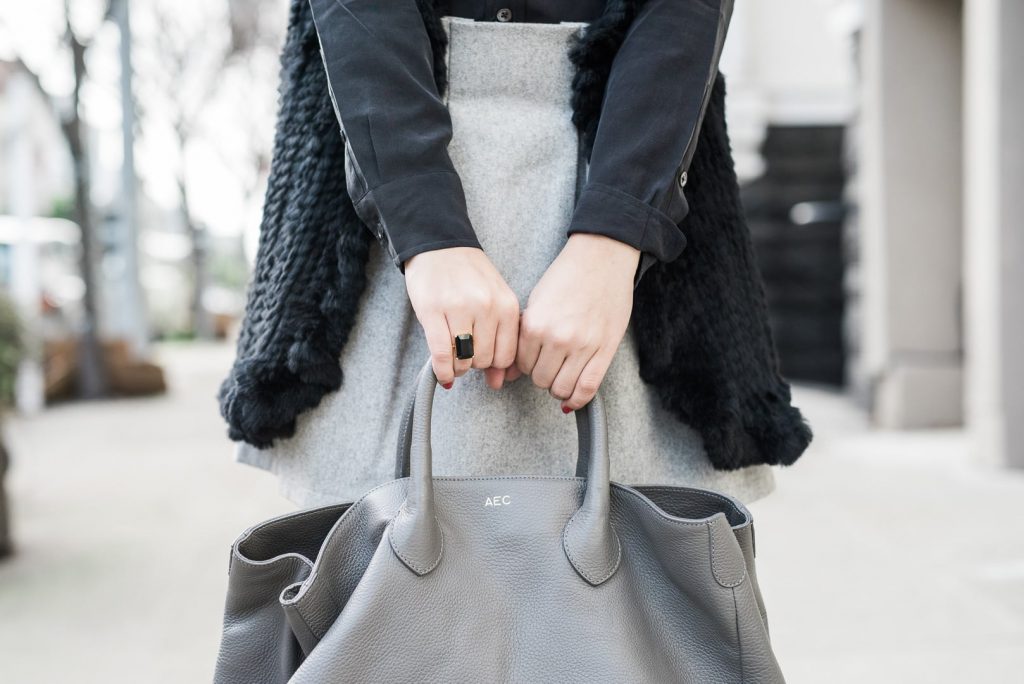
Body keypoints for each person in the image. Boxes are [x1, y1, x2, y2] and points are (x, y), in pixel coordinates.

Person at [220, 0, 811, 507]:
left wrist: (615, 237)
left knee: (642, 595)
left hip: (630, 153)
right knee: (376, 596)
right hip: (383, 163)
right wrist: (426, 231)